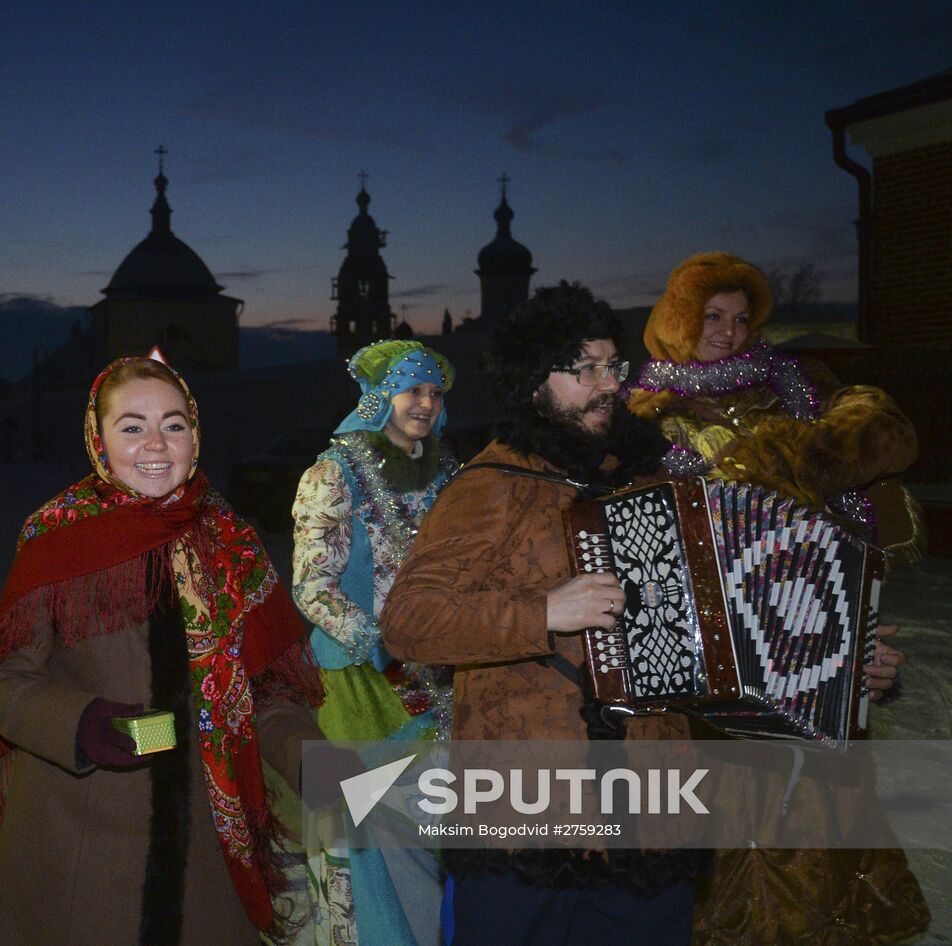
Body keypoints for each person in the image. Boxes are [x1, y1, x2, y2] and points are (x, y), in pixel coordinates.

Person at [380, 283, 704, 946]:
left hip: (652, 807)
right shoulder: (491, 486)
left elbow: (716, 632)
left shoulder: (656, 482)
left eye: (612, 366)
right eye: (583, 369)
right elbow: (409, 620)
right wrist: (544, 611)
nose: (605, 384)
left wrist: (820, 662)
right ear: (534, 383)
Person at [627, 251, 930, 945]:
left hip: (812, 616)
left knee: (820, 810)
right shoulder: (643, 417)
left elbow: (885, 430)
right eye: (712, 317)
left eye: (742, 319)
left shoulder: (797, 383)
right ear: (678, 319)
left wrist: (783, 459)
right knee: (733, 824)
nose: (730, 334)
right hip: (712, 642)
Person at [0, 355, 330, 946]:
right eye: (132, 426)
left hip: (207, 851)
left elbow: (267, 695)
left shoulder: (232, 543)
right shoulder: (57, 536)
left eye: (173, 425)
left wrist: (318, 767)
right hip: (84, 844)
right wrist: (81, 722)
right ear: (99, 439)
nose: (156, 445)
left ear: (196, 436)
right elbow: (3, 682)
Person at [289, 339, 457, 945]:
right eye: (414, 389)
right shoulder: (332, 474)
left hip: (441, 682)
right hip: (361, 682)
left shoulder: (449, 476)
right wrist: (386, 648)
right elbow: (312, 587)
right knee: (369, 841)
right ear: (380, 395)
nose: (426, 403)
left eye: (436, 393)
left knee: (437, 842)